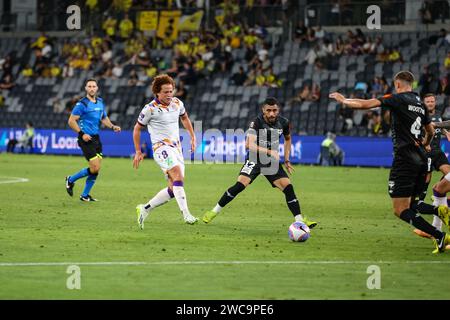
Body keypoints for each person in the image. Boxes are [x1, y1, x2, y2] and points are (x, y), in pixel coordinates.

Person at [329, 71, 450, 254]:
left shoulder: (397, 98)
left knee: (400, 209)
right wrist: (424, 144)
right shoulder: (421, 105)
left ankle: (439, 235)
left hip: (405, 160)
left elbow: (366, 104)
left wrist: (344, 100)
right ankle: (438, 214)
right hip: (422, 160)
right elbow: (431, 131)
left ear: (398, 84)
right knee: (413, 204)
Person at [202, 97, 317, 228]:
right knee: (240, 185)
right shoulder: (256, 122)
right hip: (254, 158)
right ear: (264, 110)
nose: (272, 113)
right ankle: (213, 211)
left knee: (288, 187)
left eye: (274, 110)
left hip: (271, 162)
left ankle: (300, 220)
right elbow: (248, 145)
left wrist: (286, 159)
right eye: (269, 110)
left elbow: (288, 139)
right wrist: (268, 151)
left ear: (278, 110)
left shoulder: (284, 122)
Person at [133, 74, 198, 227]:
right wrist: (138, 151)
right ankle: (186, 214)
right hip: (161, 148)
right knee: (177, 175)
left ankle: (145, 208)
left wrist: (193, 137)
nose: (169, 95)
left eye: (171, 91)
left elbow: (185, 118)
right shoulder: (150, 109)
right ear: (157, 92)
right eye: (166, 92)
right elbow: (137, 129)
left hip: (176, 148)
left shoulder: (177, 103)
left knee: (174, 187)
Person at [65, 78, 121, 202]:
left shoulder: (100, 102)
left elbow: (104, 118)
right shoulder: (82, 104)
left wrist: (112, 126)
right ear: (86, 88)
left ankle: (85, 195)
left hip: (96, 138)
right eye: (89, 86)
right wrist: (81, 133)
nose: (91, 88)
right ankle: (70, 179)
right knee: (94, 167)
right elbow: (71, 121)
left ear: (97, 88)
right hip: (85, 138)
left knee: (96, 169)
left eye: (93, 86)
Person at [413, 93, 450, 240]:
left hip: (437, 152)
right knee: (431, 182)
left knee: (443, 180)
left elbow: (441, 126)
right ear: (424, 102)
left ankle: (434, 227)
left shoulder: (439, 114)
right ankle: (423, 200)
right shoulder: (420, 115)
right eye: (427, 101)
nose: (430, 103)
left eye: (432, 101)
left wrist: (446, 131)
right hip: (426, 151)